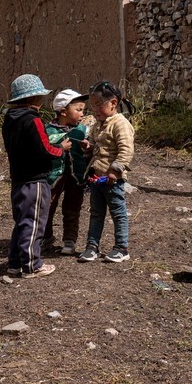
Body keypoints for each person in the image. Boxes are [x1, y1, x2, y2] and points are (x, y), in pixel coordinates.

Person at [2, 74, 71, 278]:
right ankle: (32, 265)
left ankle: (14, 263)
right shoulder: (34, 121)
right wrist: (62, 148)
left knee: (22, 222)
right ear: (33, 99)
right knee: (34, 223)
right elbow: (45, 149)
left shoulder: (9, 120)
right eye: (41, 97)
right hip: (35, 180)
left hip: (18, 179)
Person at [78, 81, 135, 264]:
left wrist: (114, 171)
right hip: (97, 179)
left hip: (112, 180)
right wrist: (89, 147)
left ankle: (121, 248)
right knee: (96, 213)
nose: (94, 110)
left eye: (98, 105)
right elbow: (96, 146)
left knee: (118, 214)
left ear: (113, 103)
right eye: (92, 106)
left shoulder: (121, 124)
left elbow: (126, 150)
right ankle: (92, 246)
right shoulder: (97, 124)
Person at [43, 89, 90, 255]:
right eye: (78, 110)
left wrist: (88, 148)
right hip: (54, 176)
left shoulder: (82, 131)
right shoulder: (48, 131)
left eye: (83, 110)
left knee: (72, 208)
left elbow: (90, 153)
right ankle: (45, 237)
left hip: (76, 176)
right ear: (63, 111)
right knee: (47, 206)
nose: (82, 113)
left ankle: (69, 240)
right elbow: (45, 149)